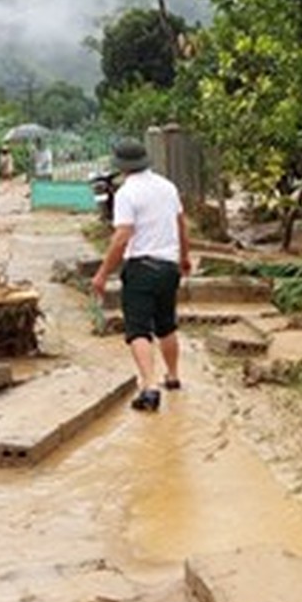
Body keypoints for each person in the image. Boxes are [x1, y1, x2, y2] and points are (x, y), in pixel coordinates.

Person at [90, 138, 190, 412]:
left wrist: (101, 274)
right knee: (166, 324)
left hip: (141, 268)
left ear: (120, 166)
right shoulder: (167, 187)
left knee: (138, 330)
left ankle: (149, 386)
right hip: (169, 267)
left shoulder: (126, 193)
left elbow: (122, 236)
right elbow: (181, 225)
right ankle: (173, 376)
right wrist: (184, 257)